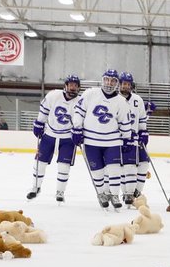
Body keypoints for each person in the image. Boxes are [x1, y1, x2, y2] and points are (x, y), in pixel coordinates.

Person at [73, 68, 134, 210]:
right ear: (102, 79)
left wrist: (126, 138)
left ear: (117, 83)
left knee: (114, 169)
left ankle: (114, 194)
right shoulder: (90, 94)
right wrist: (76, 128)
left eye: (113, 80)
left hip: (112, 141)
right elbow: (79, 111)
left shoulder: (121, 101)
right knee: (97, 172)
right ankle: (101, 193)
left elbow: (125, 122)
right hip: (91, 140)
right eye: (107, 79)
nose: (109, 83)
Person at [27, 74, 81, 202]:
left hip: (68, 137)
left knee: (64, 166)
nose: (73, 88)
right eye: (71, 85)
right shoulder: (53, 95)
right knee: (39, 163)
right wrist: (40, 122)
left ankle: (60, 192)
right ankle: (36, 187)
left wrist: (79, 130)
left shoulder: (80, 101)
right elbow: (44, 111)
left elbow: (81, 118)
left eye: (75, 85)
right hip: (49, 134)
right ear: (66, 86)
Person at [118, 72, 149, 204]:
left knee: (144, 163)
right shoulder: (115, 99)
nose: (126, 86)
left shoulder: (138, 99)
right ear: (119, 84)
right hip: (119, 138)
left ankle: (136, 191)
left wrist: (143, 132)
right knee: (126, 166)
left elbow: (141, 118)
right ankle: (127, 193)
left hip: (135, 138)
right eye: (124, 84)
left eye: (128, 84)